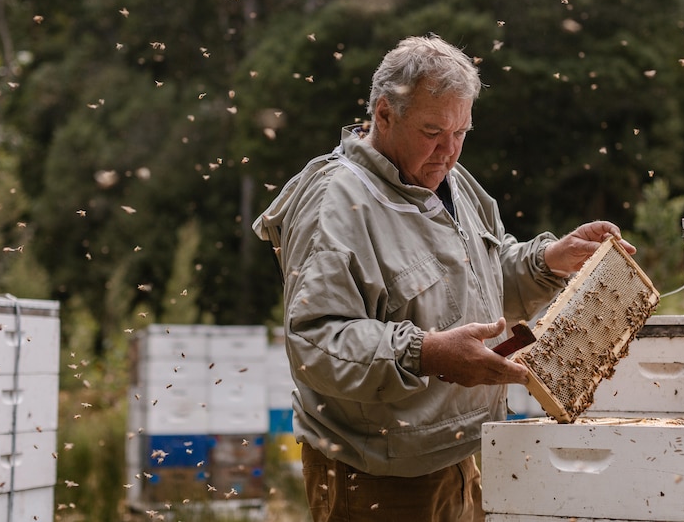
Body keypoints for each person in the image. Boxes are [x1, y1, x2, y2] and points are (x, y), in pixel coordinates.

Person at [253, 34, 636, 522]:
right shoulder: (335, 201)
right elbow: (315, 343)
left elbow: (486, 284)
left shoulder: (452, 180)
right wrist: (426, 353)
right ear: (384, 115)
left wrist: (548, 261)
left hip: (464, 455)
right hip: (375, 476)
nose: (448, 151)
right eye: (433, 131)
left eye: (461, 133)